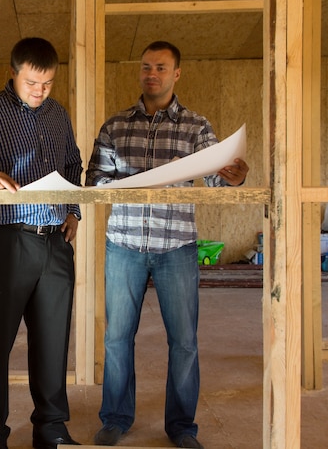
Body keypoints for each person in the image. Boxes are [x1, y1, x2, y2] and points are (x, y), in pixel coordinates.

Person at [85, 40, 249, 449]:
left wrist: (234, 177)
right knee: (117, 338)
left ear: (177, 74)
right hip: (124, 245)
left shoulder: (196, 126)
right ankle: (116, 418)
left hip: (176, 246)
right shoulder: (115, 126)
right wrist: (127, 184)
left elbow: (216, 179)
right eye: (145, 67)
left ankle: (181, 427)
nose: (151, 74)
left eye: (160, 68)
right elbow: (95, 181)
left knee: (185, 341)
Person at [0, 37, 83, 449]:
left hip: (55, 242)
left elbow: (72, 164)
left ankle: (51, 430)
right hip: (6, 240)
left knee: (52, 341)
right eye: (33, 82)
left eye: (48, 83)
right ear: (13, 72)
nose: (40, 91)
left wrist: (74, 212)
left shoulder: (58, 115)